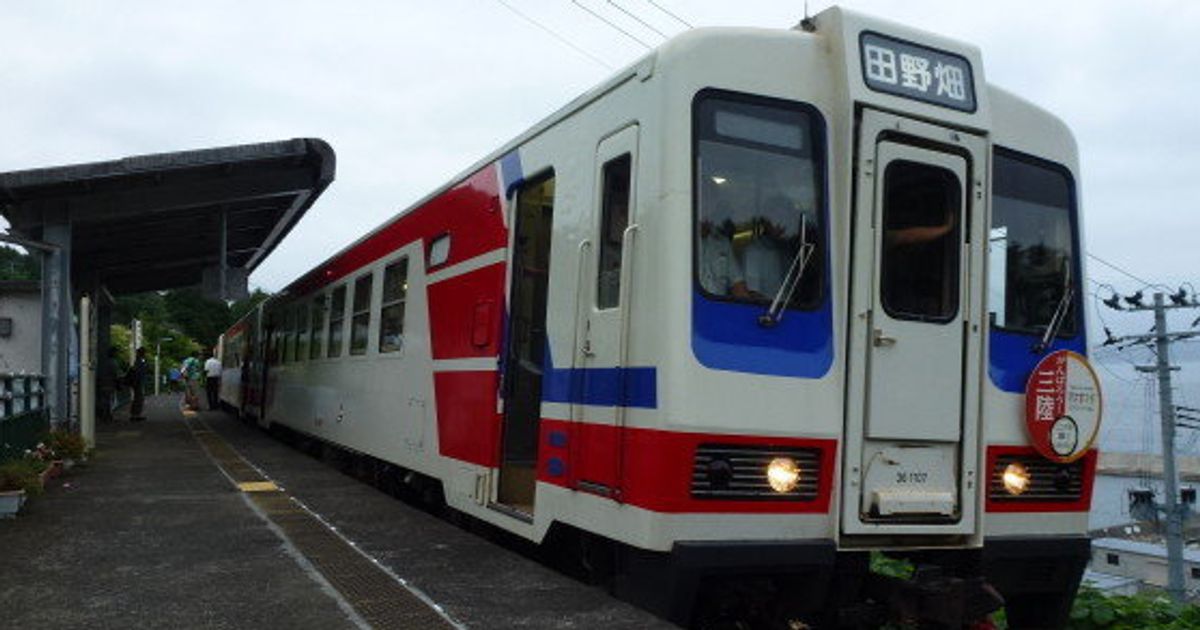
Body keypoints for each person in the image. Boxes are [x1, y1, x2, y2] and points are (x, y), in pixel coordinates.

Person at [698, 219, 750, 299]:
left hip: (719, 307)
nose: (706, 219)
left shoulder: (723, 243)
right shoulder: (679, 242)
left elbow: (737, 285)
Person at [127, 347, 148, 421]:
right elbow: (140, 371)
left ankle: (135, 414)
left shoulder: (138, 361)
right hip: (138, 382)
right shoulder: (140, 361)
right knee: (139, 398)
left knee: (138, 398)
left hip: (137, 382)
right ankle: (135, 415)